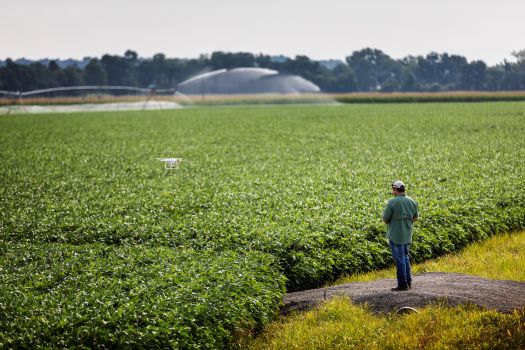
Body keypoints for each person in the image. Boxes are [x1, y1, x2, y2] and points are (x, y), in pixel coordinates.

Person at [382, 180, 419, 291]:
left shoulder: (392, 202)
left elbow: (385, 218)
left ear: (395, 189)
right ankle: (408, 282)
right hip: (407, 234)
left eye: (392, 189)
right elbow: (415, 218)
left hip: (395, 234)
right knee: (405, 257)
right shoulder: (412, 201)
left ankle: (402, 284)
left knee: (399, 259)